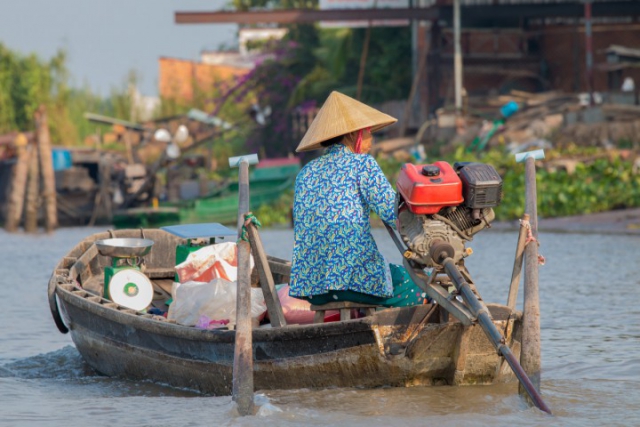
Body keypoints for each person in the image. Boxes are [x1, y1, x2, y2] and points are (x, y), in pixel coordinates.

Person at [289, 91, 427, 307]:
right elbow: (395, 215)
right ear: (354, 134)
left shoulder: (305, 172)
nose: (371, 141)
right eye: (369, 133)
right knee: (417, 283)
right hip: (351, 284)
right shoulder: (363, 164)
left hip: (310, 287)